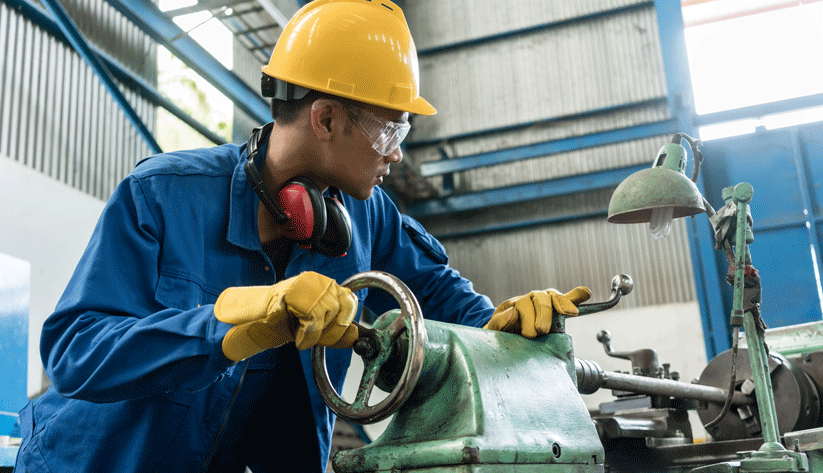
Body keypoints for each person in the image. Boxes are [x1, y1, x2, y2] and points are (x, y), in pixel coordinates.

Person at [14, 0, 591, 471]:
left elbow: (446, 302)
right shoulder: (163, 195)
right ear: (327, 119)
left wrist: (506, 329)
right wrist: (225, 325)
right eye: (390, 126)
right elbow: (73, 351)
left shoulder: (371, 217)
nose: (397, 151)